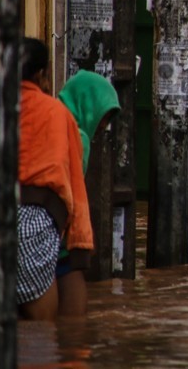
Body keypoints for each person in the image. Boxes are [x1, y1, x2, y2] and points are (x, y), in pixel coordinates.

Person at [17, 38, 92, 320]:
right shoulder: (56, 114)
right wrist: (79, 248)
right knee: (41, 332)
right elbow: (73, 184)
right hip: (35, 224)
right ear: (41, 75)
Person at [55, 70, 121, 316]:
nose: (103, 125)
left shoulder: (51, 119)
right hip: (61, 231)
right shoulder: (78, 136)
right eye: (104, 116)